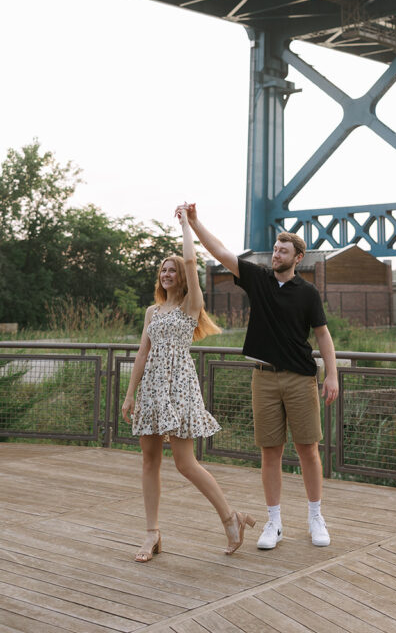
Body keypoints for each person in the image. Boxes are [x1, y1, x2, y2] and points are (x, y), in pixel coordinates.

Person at [177, 202, 339, 549]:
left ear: (298, 258)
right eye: (276, 249)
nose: (276, 254)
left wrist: (332, 376)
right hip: (263, 377)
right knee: (270, 452)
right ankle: (274, 523)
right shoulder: (258, 279)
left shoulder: (308, 293)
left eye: (283, 251)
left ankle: (315, 518)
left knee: (308, 449)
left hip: (299, 378)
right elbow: (220, 251)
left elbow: (323, 335)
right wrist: (194, 222)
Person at [121, 207, 255, 561]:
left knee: (184, 462)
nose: (166, 273)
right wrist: (130, 393)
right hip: (151, 387)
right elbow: (141, 354)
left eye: (172, 270)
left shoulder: (191, 305)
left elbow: (193, 263)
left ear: (181, 277)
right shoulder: (153, 312)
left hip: (179, 386)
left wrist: (185, 226)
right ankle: (152, 534)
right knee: (149, 461)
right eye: (162, 269)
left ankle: (231, 517)